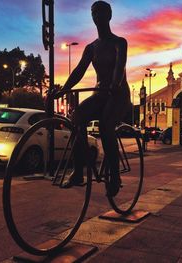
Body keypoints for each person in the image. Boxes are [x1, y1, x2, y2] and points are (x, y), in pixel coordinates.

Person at [50, 1, 131, 196]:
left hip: (118, 94)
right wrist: (64, 89)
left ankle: (114, 175)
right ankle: (78, 172)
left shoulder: (119, 42)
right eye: (94, 13)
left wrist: (115, 83)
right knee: (77, 117)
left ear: (109, 16)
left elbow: (119, 66)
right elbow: (79, 71)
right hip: (100, 94)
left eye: (101, 13)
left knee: (105, 126)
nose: (97, 17)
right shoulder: (91, 48)